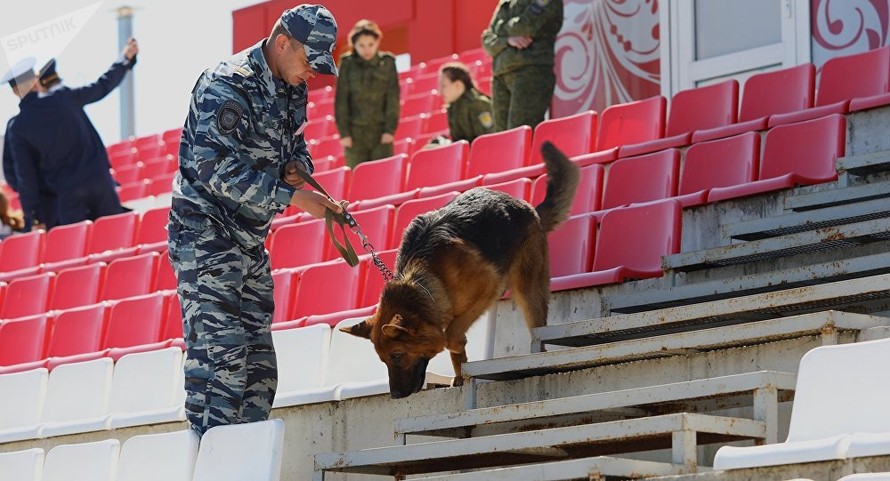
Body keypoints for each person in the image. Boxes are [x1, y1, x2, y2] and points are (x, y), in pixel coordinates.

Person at [167, 4, 343, 437]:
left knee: (260, 367)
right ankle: (213, 458)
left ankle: (242, 457)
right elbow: (212, 169)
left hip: (248, 238)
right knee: (220, 359)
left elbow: (296, 143)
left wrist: (297, 168)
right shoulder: (227, 84)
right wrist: (292, 196)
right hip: (205, 233)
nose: (311, 75)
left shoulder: (291, 84)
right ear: (282, 42)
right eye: (308, 61)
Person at [4, 41, 138, 230]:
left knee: (77, 250)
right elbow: (102, 86)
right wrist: (124, 60)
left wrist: (33, 217)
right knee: (115, 238)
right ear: (36, 81)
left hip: (66, 196)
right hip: (101, 184)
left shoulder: (18, 127)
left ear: (15, 91)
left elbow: (26, 177)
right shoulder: (65, 98)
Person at [481, 0, 563, 131]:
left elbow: (527, 26)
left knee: (521, 134)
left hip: (530, 71)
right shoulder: (506, 1)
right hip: (500, 75)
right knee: (502, 138)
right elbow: (486, 41)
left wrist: (501, 30)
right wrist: (508, 40)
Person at [2, 62, 64, 229]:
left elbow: (17, 176)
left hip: (48, 206)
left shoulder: (16, 126)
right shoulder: (60, 108)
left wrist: (34, 214)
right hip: (56, 203)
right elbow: (18, 174)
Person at [334, 19, 400, 168]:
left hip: (381, 133)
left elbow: (392, 97)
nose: (367, 50)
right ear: (354, 45)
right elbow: (341, 100)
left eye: (371, 44)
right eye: (361, 45)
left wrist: (390, 130)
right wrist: (344, 133)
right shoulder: (347, 64)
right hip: (355, 136)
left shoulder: (388, 63)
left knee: (383, 175)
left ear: (377, 42)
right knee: (360, 180)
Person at [439, 62, 494, 143]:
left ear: (458, 85)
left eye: (443, 86)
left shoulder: (478, 104)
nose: (440, 91)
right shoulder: (453, 108)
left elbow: (488, 140)